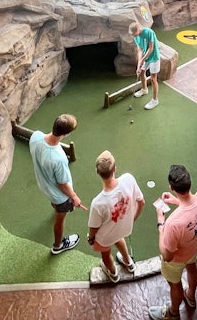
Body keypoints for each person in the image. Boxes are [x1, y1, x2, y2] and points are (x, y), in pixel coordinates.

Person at [149, 165, 197, 320]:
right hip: (194, 247)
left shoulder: (173, 224)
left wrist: (161, 224)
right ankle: (190, 296)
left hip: (177, 259)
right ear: (189, 181)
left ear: (171, 187)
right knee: (192, 267)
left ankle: (173, 313)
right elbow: (195, 208)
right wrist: (177, 201)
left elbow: (167, 255)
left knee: (175, 284)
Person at [29, 113, 85, 255]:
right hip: (59, 196)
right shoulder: (59, 159)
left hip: (44, 185)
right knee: (60, 220)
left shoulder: (36, 136)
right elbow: (62, 185)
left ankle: (55, 207)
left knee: (55, 204)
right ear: (66, 134)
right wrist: (74, 197)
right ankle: (58, 246)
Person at [87, 151, 144, 283]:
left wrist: (91, 238)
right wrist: (132, 219)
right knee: (119, 238)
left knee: (106, 253)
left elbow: (93, 227)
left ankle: (113, 272)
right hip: (124, 228)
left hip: (106, 237)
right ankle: (128, 262)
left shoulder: (98, 203)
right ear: (115, 169)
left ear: (97, 172)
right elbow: (141, 202)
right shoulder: (128, 179)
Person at [129, 21, 160, 110]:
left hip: (154, 57)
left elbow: (151, 48)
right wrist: (139, 63)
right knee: (142, 72)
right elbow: (139, 50)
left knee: (153, 79)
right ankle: (144, 89)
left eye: (133, 34)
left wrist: (143, 59)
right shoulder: (135, 37)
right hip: (145, 57)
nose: (133, 36)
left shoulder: (149, 32)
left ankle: (155, 100)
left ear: (138, 30)